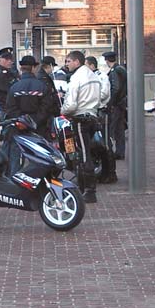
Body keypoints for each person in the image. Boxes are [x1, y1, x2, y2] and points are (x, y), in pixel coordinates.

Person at [60, 51, 102, 203]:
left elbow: (71, 104)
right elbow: (103, 96)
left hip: (80, 119)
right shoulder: (94, 76)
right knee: (85, 151)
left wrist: (62, 110)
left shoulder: (76, 78)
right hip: (92, 116)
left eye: (68, 61)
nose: (67, 64)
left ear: (77, 61)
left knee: (84, 155)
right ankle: (84, 186)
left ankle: (89, 190)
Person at [87, 56, 116, 184]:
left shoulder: (101, 77)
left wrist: (90, 98)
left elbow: (104, 93)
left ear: (92, 65)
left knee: (105, 143)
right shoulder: (90, 77)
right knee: (96, 143)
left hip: (101, 112)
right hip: (93, 113)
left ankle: (110, 173)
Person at [7, 55, 52, 139]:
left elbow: (10, 108)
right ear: (33, 68)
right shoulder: (42, 86)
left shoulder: (14, 87)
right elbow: (46, 107)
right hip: (39, 128)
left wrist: (22, 121)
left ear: (21, 69)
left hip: (19, 128)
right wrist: (35, 121)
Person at [103, 51, 127, 160]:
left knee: (111, 129)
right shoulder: (122, 69)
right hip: (122, 103)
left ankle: (110, 152)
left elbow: (115, 88)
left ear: (107, 60)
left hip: (116, 104)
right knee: (119, 129)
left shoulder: (114, 71)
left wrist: (110, 103)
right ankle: (120, 152)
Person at [36, 55, 63, 130]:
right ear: (48, 66)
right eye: (52, 66)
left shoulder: (44, 77)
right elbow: (47, 95)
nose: (53, 69)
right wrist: (57, 96)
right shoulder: (43, 78)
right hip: (47, 112)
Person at [0, 49, 18, 119]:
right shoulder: (2, 73)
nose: (10, 61)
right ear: (0, 60)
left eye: (10, 59)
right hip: (6, 105)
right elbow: (6, 90)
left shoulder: (7, 72)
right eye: (6, 59)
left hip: (7, 105)